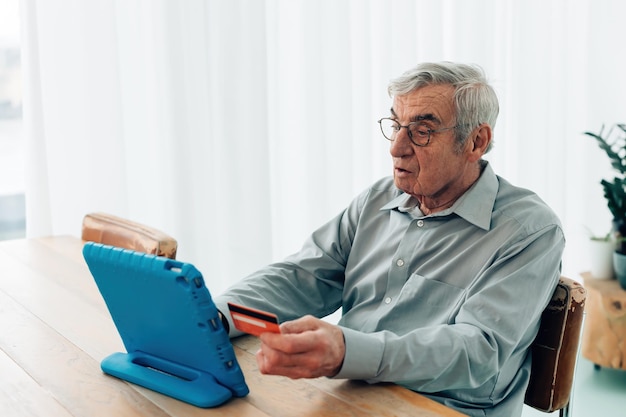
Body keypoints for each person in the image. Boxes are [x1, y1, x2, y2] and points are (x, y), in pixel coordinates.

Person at [214, 61, 564, 417]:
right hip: (347, 394)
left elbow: (477, 352)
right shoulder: (377, 199)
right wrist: (216, 316)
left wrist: (347, 352)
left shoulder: (529, 231)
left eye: (422, 131)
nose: (397, 148)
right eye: (396, 125)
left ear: (476, 142)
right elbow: (302, 277)